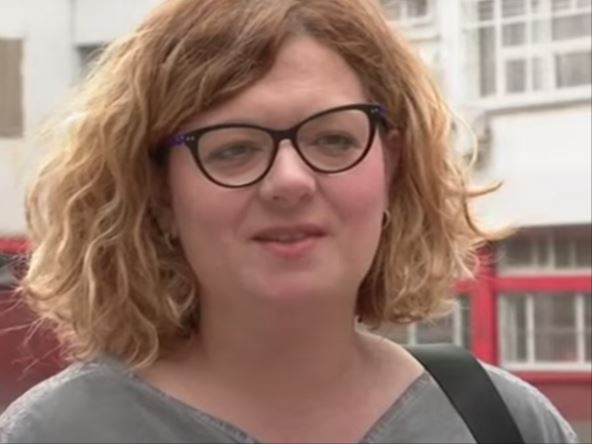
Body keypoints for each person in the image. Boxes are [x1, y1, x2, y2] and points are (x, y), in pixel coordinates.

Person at [0, 0, 578, 443]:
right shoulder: (58, 433)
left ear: (391, 166)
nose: (290, 181)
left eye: (333, 139)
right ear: (160, 195)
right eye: (233, 149)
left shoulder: (505, 424)